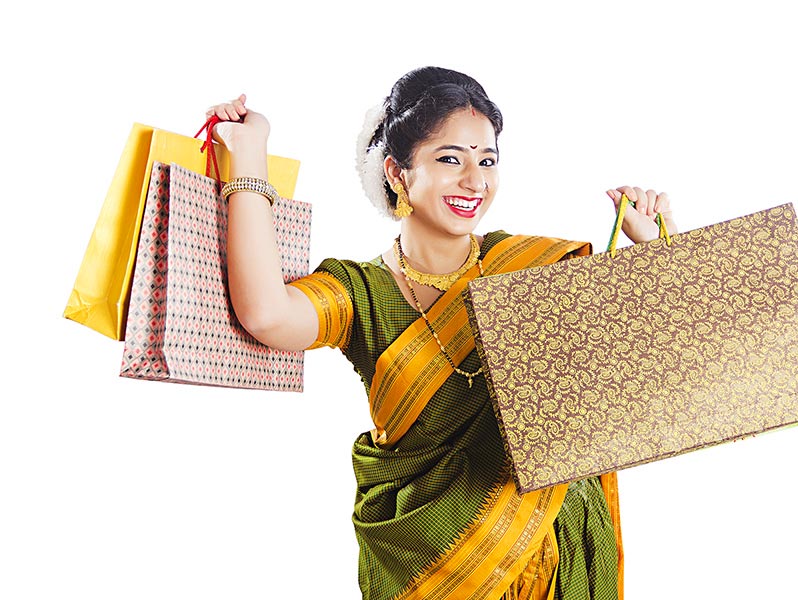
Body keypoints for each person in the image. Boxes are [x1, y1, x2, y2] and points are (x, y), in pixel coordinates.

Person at [207, 66, 676, 600]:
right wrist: (250, 152)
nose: (475, 181)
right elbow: (267, 315)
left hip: (555, 557)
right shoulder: (360, 293)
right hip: (434, 565)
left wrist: (658, 251)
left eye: (488, 160)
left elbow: (656, 368)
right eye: (450, 159)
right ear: (399, 173)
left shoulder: (526, 268)